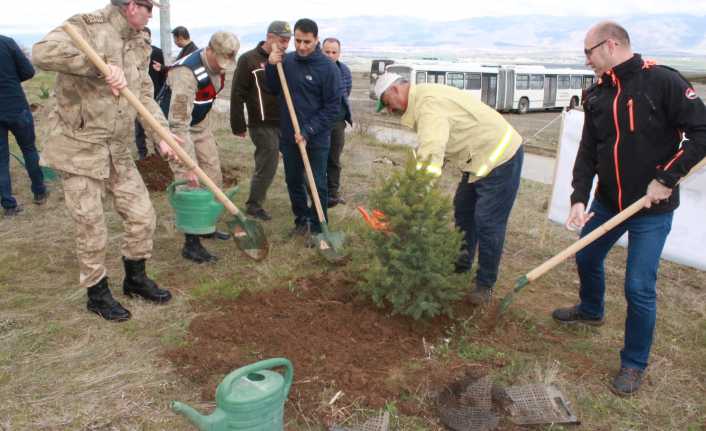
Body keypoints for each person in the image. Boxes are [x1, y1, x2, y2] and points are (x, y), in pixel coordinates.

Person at [552, 21, 706, 396]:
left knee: (638, 286)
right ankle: (591, 310)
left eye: (588, 52)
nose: (586, 60)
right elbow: (589, 152)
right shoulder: (597, 95)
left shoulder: (662, 82)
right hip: (608, 202)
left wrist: (666, 179)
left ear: (610, 45)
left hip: (652, 208)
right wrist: (577, 198)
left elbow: (702, 132)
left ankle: (633, 363)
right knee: (587, 256)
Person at [32, 0, 182, 322]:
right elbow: (41, 53)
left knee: (143, 215)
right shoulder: (87, 24)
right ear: (131, 5)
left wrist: (162, 135)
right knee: (91, 226)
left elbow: (143, 94)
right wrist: (96, 64)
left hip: (117, 148)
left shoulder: (140, 41)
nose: (151, 15)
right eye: (149, 8)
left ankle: (136, 278)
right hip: (79, 147)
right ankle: (97, 293)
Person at [374, 72, 524, 305]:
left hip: (500, 156)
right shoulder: (422, 99)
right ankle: (460, 265)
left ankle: (485, 285)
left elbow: (432, 150)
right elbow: (436, 146)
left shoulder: (428, 106)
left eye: (386, 102)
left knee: (487, 221)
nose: (388, 110)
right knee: (463, 210)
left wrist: (417, 196)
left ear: (395, 90)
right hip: (477, 159)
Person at [159, 31, 240, 263]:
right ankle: (191, 245)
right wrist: (188, 165)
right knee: (191, 182)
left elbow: (205, 100)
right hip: (176, 131)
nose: (223, 67)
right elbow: (178, 122)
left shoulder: (217, 68)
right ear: (210, 50)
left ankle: (206, 225)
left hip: (199, 124)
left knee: (212, 174)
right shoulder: (186, 73)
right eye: (220, 60)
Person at [265, 18, 341, 238]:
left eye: (307, 41)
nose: (301, 46)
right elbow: (272, 87)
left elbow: (332, 108)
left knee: (317, 183)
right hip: (289, 135)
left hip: (316, 138)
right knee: (293, 180)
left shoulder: (327, 69)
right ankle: (301, 221)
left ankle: (319, 226)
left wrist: (308, 131)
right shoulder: (286, 62)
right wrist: (271, 65)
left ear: (316, 40)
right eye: (297, 41)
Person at [230, 21, 292, 222]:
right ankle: (254, 205)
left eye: (288, 41)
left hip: (285, 121)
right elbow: (237, 93)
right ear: (270, 37)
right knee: (268, 164)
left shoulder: (286, 60)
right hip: (262, 123)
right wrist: (238, 124)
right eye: (282, 40)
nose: (285, 45)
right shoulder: (249, 60)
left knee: (295, 161)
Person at [0, 35, 47, 217]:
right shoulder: (7, 42)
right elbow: (28, 71)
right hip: (16, 106)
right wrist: (10, 79)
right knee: (28, 148)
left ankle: (9, 206)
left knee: (1, 160)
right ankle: (39, 192)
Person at [321, 37, 352, 208]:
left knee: (334, 159)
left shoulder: (345, 71)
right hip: (319, 123)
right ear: (321, 52)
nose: (330, 55)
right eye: (327, 52)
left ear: (339, 53)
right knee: (318, 159)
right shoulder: (316, 70)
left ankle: (333, 193)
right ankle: (318, 193)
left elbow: (345, 94)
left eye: (334, 52)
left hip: (338, 122)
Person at [134, 26, 166, 159]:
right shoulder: (133, 54)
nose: (144, 41)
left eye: (146, 38)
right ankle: (143, 154)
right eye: (142, 37)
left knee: (155, 122)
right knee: (139, 128)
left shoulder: (158, 52)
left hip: (155, 94)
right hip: (137, 94)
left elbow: (164, 75)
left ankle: (159, 153)